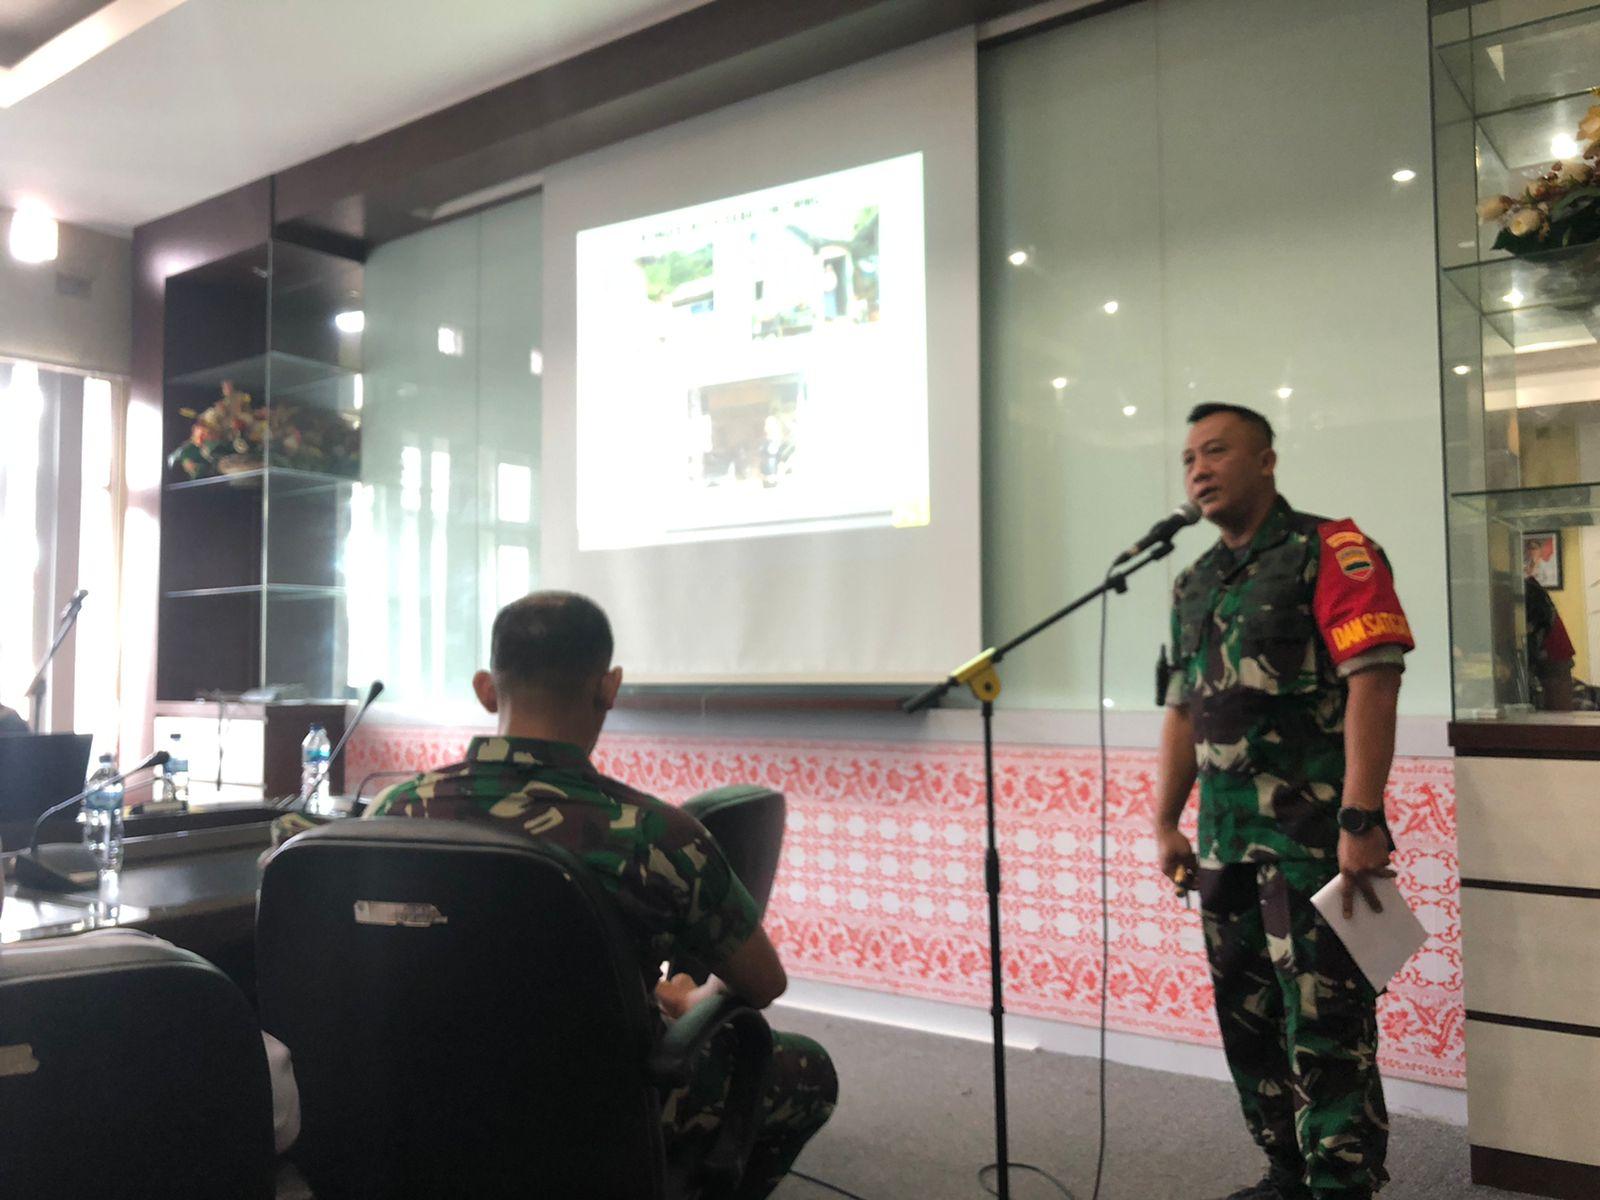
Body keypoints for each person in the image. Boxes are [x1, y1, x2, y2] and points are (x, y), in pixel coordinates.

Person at [366, 590, 836, 1199]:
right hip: (597, 1107)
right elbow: (763, 982)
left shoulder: (393, 812)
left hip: (427, 1094)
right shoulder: (657, 835)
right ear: (609, 687)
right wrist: (690, 999)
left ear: (485, 689)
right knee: (809, 1070)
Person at [1153, 404, 1413, 1200]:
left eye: (1217, 451)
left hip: (1313, 841)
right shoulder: (1193, 581)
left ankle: (1342, 1184)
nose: (1199, 469)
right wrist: (1165, 821)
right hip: (1224, 843)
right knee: (1248, 1018)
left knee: (1327, 1026)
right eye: (1189, 457)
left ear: (1266, 460)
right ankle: (1285, 1174)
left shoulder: (1330, 550)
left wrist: (1360, 820)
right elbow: (1182, 711)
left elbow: (1375, 680)